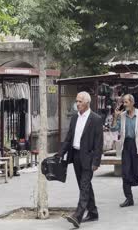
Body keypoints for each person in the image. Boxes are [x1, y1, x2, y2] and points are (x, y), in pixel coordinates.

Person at [59, 92, 104, 228]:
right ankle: (93, 212)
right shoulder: (74, 118)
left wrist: (96, 161)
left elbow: (99, 143)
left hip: (89, 158)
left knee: (84, 186)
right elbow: (69, 138)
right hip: (76, 156)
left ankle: (77, 216)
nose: (77, 104)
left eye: (79, 101)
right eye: (76, 101)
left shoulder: (95, 119)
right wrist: (60, 153)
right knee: (84, 185)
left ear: (87, 103)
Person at [111, 94, 138, 208]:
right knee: (125, 173)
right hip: (127, 146)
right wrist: (115, 117)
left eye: (126, 102)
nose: (124, 105)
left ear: (132, 103)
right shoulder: (122, 115)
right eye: (123, 102)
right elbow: (114, 129)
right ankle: (129, 199)